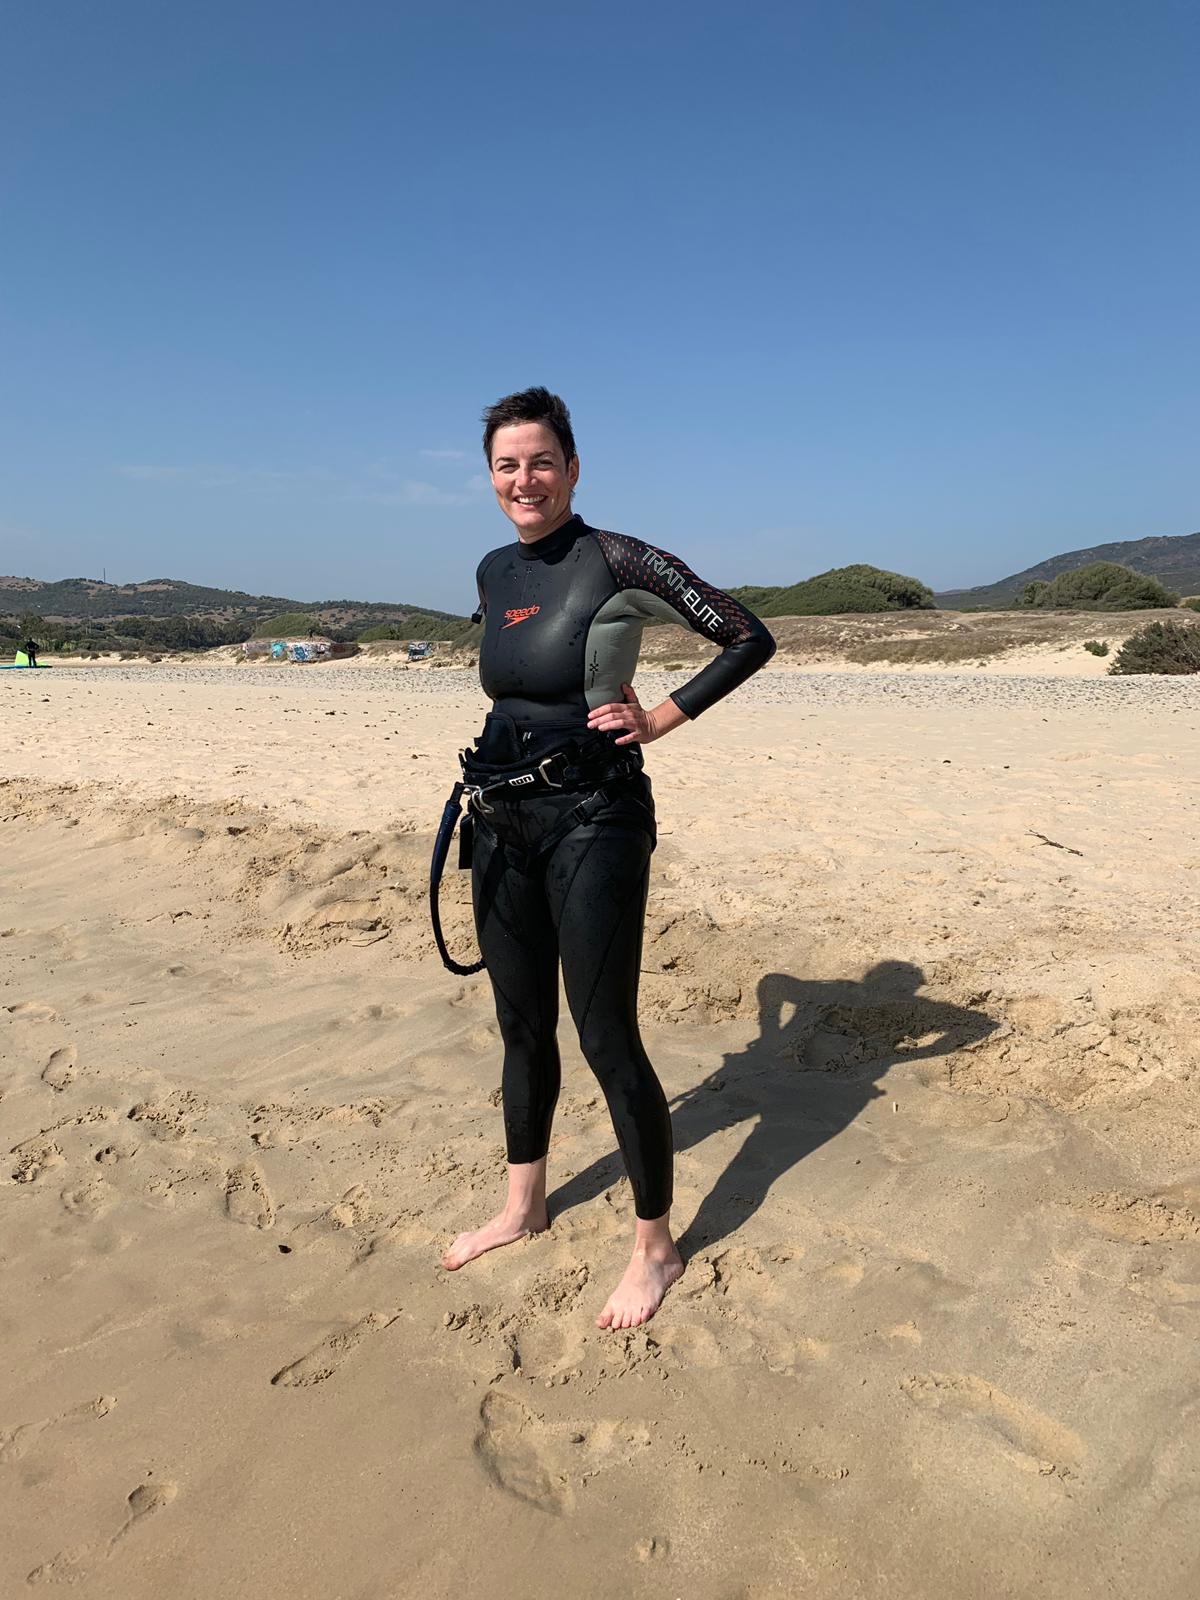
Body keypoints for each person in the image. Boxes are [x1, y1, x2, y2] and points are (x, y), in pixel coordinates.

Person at [441, 387, 776, 1330]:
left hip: (595, 815)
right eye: (507, 465)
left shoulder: (618, 557)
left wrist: (659, 717)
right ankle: (524, 1206)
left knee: (605, 1036)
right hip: (500, 812)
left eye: (541, 462)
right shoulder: (493, 571)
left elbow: (747, 634)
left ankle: (656, 1248)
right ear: (491, 477)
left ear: (573, 468)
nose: (525, 480)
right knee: (521, 1027)